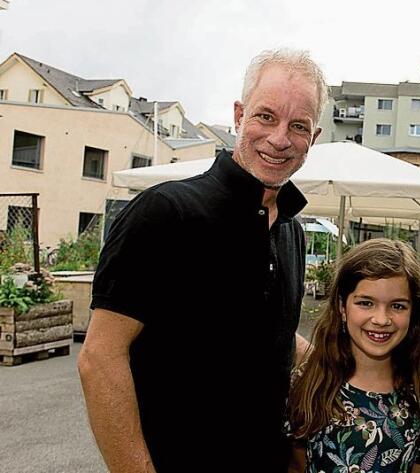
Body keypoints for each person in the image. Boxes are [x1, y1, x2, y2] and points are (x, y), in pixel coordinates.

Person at [77, 49, 327, 472]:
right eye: (266, 117)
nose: (280, 138)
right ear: (239, 115)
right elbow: (100, 358)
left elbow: (275, 336)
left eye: (298, 126)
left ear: (313, 138)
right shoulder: (166, 213)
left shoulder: (291, 232)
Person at [286, 239, 420, 473]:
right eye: (366, 303)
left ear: (414, 313)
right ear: (342, 307)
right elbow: (296, 466)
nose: (381, 319)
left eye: (397, 306)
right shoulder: (308, 383)